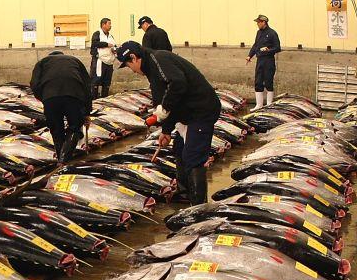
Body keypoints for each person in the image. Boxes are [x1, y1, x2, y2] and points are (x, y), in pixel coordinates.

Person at [118, 41, 221, 204]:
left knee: (193, 156)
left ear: (134, 58)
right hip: (187, 114)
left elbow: (178, 84)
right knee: (179, 150)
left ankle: (198, 206)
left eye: (129, 66)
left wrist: (164, 109)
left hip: (201, 111)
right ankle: (185, 192)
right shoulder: (152, 70)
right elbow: (165, 101)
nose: (132, 71)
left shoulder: (159, 59)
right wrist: (166, 130)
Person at [30, 50, 92, 162]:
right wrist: (87, 112)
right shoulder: (75, 60)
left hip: (50, 97)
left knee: (56, 129)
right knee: (75, 126)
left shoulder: (42, 62)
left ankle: (61, 159)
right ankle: (64, 160)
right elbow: (87, 86)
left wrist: (44, 98)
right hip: (74, 95)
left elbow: (34, 84)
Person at [246, 14, 282, 109]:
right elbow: (255, 45)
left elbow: (278, 48)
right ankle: (259, 105)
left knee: (268, 82)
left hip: (269, 60)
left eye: (258, 22)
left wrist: (268, 50)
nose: (257, 24)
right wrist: (250, 55)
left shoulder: (272, 33)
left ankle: (269, 104)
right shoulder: (258, 33)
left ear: (264, 22)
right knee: (258, 82)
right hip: (260, 60)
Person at [90, 17, 117, 98]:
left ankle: (105, 99)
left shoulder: (111, 36)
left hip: (109, 62)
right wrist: (106, 44)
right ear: (103, 25)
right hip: (100, 61)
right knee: (96, 81)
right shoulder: (97, 34)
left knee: (107, 82)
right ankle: (94, 100)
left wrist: (115, 50)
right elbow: (95, 43)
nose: (110, 26)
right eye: (109, 24)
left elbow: (114, 45)